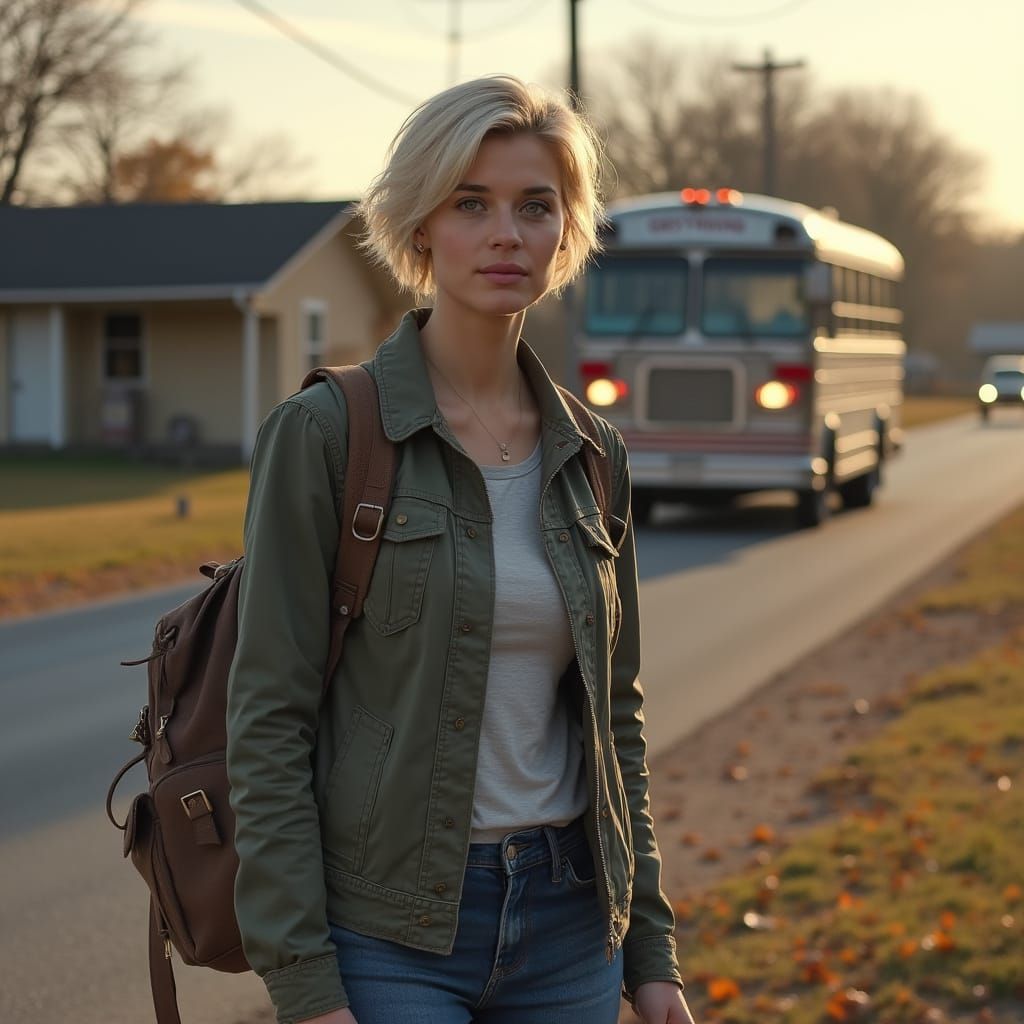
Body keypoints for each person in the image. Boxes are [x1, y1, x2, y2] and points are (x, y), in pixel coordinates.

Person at [226, 74, 694, 1024]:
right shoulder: (327, 434)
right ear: (421, 227)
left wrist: (651, 954)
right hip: (388, 936)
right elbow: (268, 721)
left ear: (565, 231)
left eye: (535, 206)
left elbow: (617, 723)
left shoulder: (593, 455)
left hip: (571, 927)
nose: (505, 234)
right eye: (470, 204)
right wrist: (306, 981)